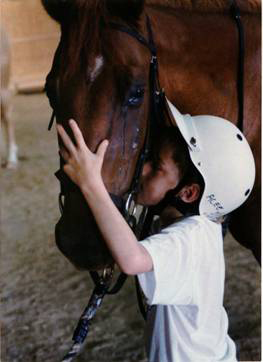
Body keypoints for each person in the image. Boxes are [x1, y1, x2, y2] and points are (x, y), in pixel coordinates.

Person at [56, 99, 255, 362]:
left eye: (155, 165)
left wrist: (91, 183)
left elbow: (132, 260)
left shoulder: (187, 239)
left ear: (188, 192)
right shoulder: (202, 225)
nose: (143, 169)